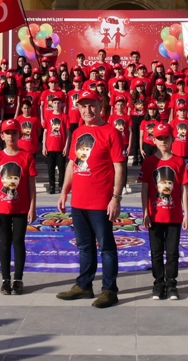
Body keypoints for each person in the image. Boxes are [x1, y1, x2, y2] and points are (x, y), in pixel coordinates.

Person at [56, 89, 126, 309]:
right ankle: (84, 285)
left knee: (106, 247)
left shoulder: (111, 132)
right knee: (84, 246)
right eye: (83, 106)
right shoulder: (78, 132)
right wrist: (65, 190)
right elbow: (72, 164)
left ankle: (109, 290)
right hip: (79, 200)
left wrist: (115, 198)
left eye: (91, 105)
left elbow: (119, 167)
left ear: (100, 105)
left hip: (100, 201)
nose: (87, 110)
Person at [139, 122, 188, 300]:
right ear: (154, 140)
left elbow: (183, 189)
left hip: (174, 215)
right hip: (155, 215)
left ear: (172, 139)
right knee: (156, 251)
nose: (163, 141)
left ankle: (171, 284)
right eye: (159, 138)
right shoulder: (149, 162)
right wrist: (145, 211)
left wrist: (187, 214)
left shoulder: (179, 161)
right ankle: (158, 283)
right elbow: (145, 189)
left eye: (166, 138)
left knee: (173, 251)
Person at [0, 119, 38, 295]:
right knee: (4, 243)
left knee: (18, 242)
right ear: (2, 135)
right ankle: (5, 279)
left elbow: (31, 185)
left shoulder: (26, 156)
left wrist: (32, 207)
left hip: (21, 208)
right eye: (7, 133)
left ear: (20, 135)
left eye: (14, 133)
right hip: (2, 209)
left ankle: (18, 279)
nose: (11, 136)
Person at [42, 95, 69, 194]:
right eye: (55, 103)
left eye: (58, 103)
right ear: (52, 104)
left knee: (62, 169)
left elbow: (67, 133)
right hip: (50, 146)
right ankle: (52, 186)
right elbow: (45, 132)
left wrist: (66, 146)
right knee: (50, 168)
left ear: (61, 104)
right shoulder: (48, 116)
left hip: (61, 147)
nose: (57, 105)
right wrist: (44, 146)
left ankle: (61, 186)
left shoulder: (64, 117)